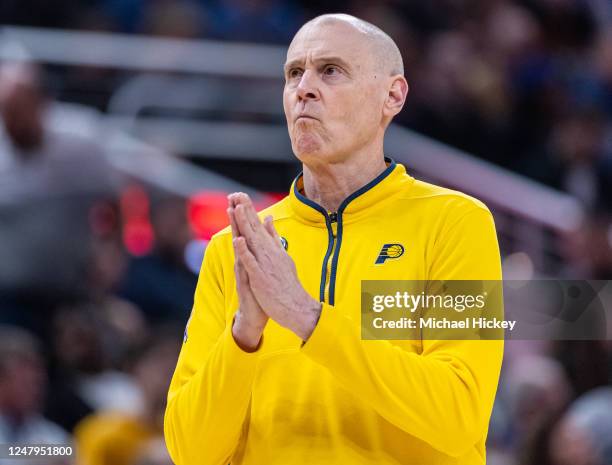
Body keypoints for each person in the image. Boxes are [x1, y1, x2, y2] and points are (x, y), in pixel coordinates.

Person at [165, 13, 503, 465]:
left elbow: (458, 414)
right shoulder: (237, 248)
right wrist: (245, 335)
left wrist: (308, 318)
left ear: (392, 95)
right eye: (293, 74)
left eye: (330, 71)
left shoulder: (454, 223)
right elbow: (190, 451)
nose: (303, 88)